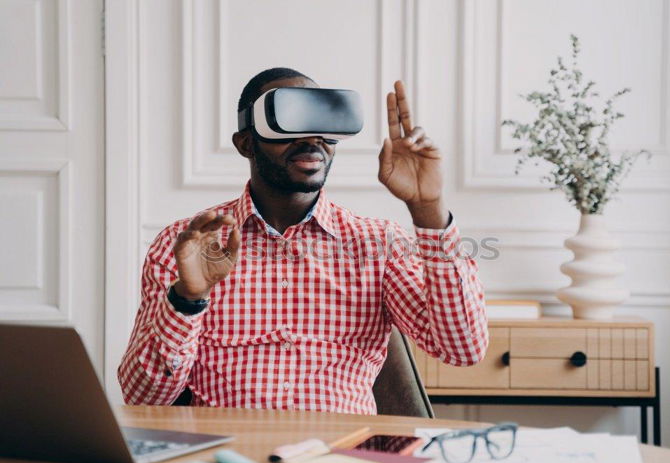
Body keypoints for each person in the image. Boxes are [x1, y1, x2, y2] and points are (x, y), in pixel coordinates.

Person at [118, 67, 488, 414]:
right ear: (246, 143)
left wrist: (428, 210)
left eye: (322, 123)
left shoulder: (380, 243)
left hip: (341, 461)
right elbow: (141, 397)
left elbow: (463, 349)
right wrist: (187, 298)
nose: (311, 138)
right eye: (288, 121)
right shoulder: (186, 245)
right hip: (229, 458)